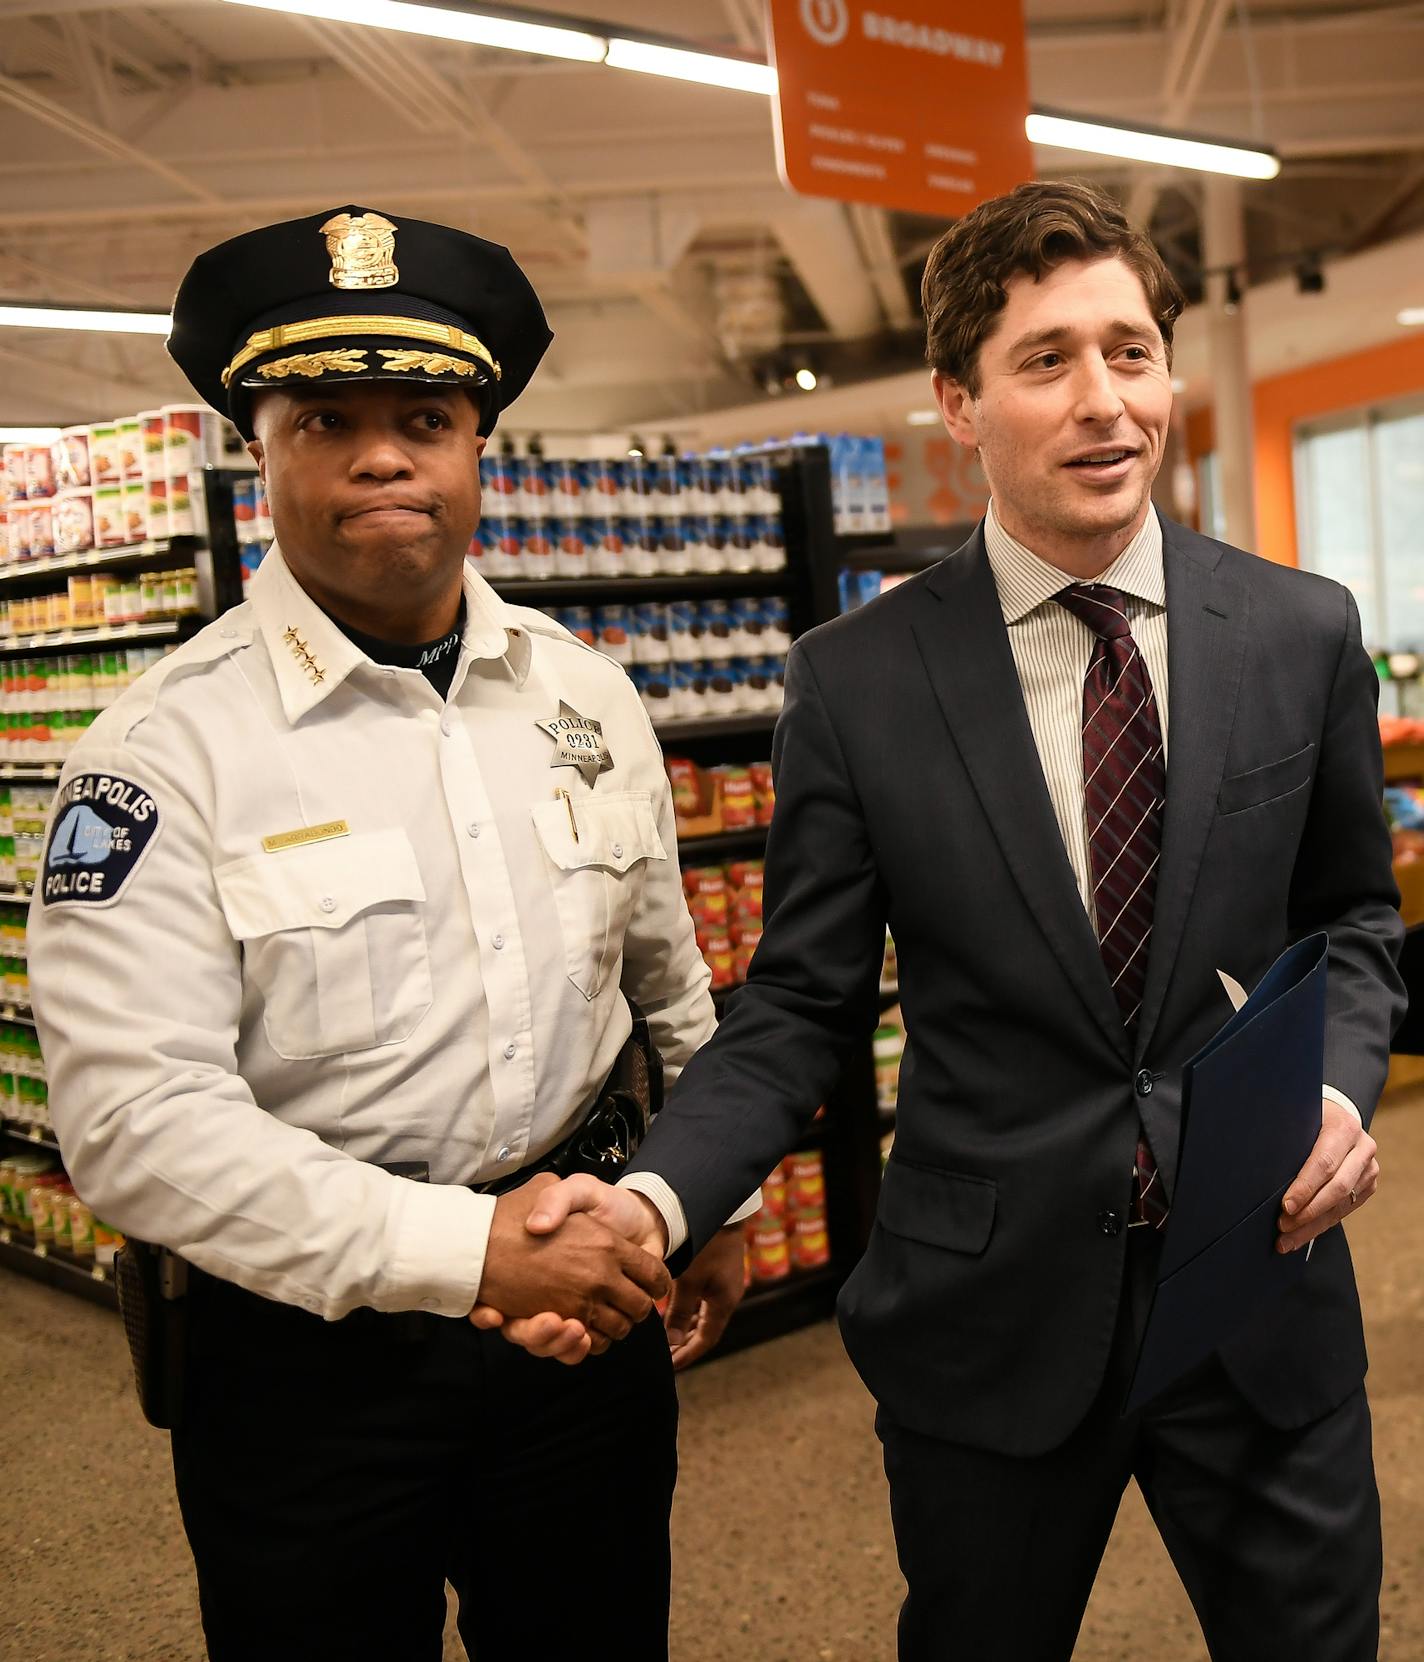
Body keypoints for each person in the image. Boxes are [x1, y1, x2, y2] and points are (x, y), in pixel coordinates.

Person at [483, 180, 1405, 1660]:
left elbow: (1353, 916)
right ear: (959, 403)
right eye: (1048, 360)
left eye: (1131, 350)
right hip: (991, 1318)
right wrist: (655, 1203)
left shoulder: (1302, 631)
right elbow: (796, 1007)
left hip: (1259, 1293)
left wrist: (1342, 1086)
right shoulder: (855, 679)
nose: (1106, 401)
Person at [28, 204, 754, 1662]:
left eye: (424, 414)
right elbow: (132, 1120)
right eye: (325, 418)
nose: (381, 454)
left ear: (479, 445)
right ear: (260, 446)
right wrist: (475, 1250)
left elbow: (669, 978)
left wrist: (712, 1201)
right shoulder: (162, 751)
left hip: (585, 1313)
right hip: (308, 1356)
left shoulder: (585, 695)